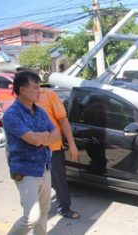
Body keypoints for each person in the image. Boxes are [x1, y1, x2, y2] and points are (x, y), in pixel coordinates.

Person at [3, 71, 60, 235]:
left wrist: (42, 137)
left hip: (44, 167)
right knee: (31, 217)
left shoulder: (40, 111)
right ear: (22, 90)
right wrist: (43, 137)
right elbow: (34, 140)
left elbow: (56, 134)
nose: (40, 91)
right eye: (35, 87)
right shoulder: (12, 115)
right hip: (25, 171)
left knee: (43, 212)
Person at [37, 88, 80, 219]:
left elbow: (63, 120)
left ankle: (64, 208)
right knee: (37, 182)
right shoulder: (21, 101)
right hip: (33, 151)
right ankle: (36, 210)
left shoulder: (49, 95)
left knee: (59, 181)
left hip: (53, 148)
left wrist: (72, 144)